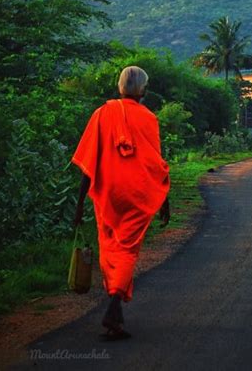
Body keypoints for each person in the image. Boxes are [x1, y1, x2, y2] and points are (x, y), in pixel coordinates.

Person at [72, 65, 170, 340]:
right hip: (137, 194)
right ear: (143, 90)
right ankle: (114, 304)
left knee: (110, 246)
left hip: (107, 192)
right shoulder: (149, 118)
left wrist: (79, 203)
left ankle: (116, 312)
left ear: (120, 86)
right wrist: (164, 199)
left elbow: (88, 164)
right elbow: (156, 164)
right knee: (127, 250)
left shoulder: (101, 114)